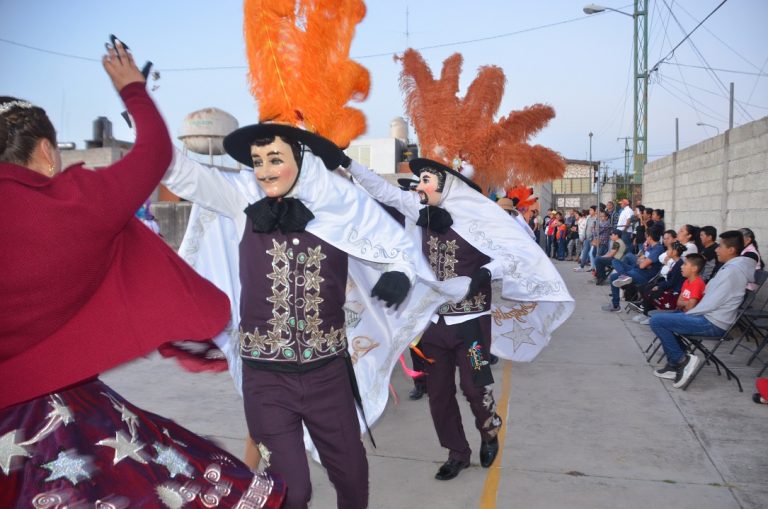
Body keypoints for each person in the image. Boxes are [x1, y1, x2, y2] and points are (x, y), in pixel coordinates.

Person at [0, 41, 284, 508]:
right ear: (48, 153)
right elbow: (155, 152)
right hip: (53, 422)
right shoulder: (75, 203)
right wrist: (133, 88)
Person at [649, 231, 756, 388]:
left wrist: (688, 312)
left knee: (658, 321)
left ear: (731, 250)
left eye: (720, 247)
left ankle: (681, 360)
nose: (717, 250)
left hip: (713, 322)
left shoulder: (733, 271)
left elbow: (712, 302)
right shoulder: (731, 268)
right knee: (668, 321)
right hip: (710, 317)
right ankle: (674, 365)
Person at [602, 226, 665, 312]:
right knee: (615, 261)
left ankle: (615, 305)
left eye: (646, 235)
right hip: (637, 270)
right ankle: (624, 275)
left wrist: (642, 262)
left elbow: (643, 265)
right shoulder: (651, 247)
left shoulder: (658, 249)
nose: (645, 237)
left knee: (613, 277)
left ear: (649, 237)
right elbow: (640, 259)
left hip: (644, 275)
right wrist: (642, 261)